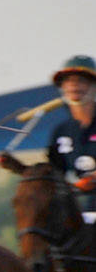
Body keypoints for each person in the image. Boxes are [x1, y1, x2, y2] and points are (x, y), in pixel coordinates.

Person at [42, 55, 96, 222]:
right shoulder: (60, 131)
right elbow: (55, 174)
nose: (74, 85)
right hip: (75, 213)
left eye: (81, 80)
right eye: (68, 81)